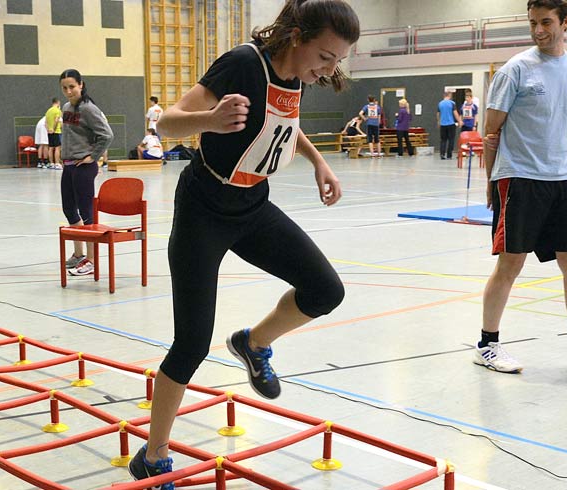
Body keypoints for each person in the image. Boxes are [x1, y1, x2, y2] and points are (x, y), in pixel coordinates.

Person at [125, 1, 356, 486]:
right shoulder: (242, 64)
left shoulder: (297, 76)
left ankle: (253, 344)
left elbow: (282, 127)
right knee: (189, 343)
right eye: (326, 57)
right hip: (203, 211)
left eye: (337, 61)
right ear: (297, 36)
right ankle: (154, 454)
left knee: (324, 290)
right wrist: (209, 119)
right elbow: (166, 123)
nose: (329, 69)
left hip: (252, 208)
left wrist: (318, 161)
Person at [476, 0, 567, 383]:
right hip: (520, 178)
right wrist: (491, 184)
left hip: (564, 179)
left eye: (546, 22)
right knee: (511, 263)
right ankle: (487, 345)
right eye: (532, 23)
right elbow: (491, 133)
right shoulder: (516, 69)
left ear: (566, 22)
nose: (538, 30)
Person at [59, 69, 114, 276]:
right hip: (69, 165)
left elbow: (107, 135)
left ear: (81, 85)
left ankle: (91, 260)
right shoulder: (66, 107)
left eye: (72, 86)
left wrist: (94, 156)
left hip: (84, 166)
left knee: (86, 211)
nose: (68, 91)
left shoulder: (89, 109)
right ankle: (78, 254)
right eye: (64, 88)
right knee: (68, 209)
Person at [437, 90, 461, 160]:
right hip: (451, 124)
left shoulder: (440, 103)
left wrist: (439, 121)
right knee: (451, 140)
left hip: (443, 124)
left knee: (443, 140)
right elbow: (455, 113)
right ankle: (449, 155)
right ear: (449, 96)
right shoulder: (452, 103)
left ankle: (442, 154)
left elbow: (438, 114)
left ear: (444, 96)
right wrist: (459, 121)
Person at [45, 98, 64, 170]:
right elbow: (56, 120)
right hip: (56, 131)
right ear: (58, 102)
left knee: (50, 147)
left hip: (49, 132)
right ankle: (57, 163)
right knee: (57, 148)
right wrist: (54, 128)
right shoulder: (58, 110)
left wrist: (48, 130)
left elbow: (46, 122)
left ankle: (51, 163)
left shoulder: (48, 111)